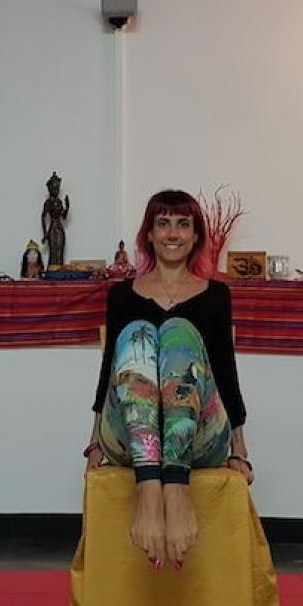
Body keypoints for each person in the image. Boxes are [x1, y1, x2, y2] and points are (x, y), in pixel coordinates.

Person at [83, 189, 253, 571]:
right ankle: (149, 489)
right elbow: (109, 369)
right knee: (138, 333)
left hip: (197, 439)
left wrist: (239, 449)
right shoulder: (122, 295)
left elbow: (226, 371)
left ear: (195, 236)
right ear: (149, 234)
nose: (173, 233)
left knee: (178, 331)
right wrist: (94, 442)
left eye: (183, 224)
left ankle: (174, 490)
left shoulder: (217, 295)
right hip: (131, 435)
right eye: (163, 224)